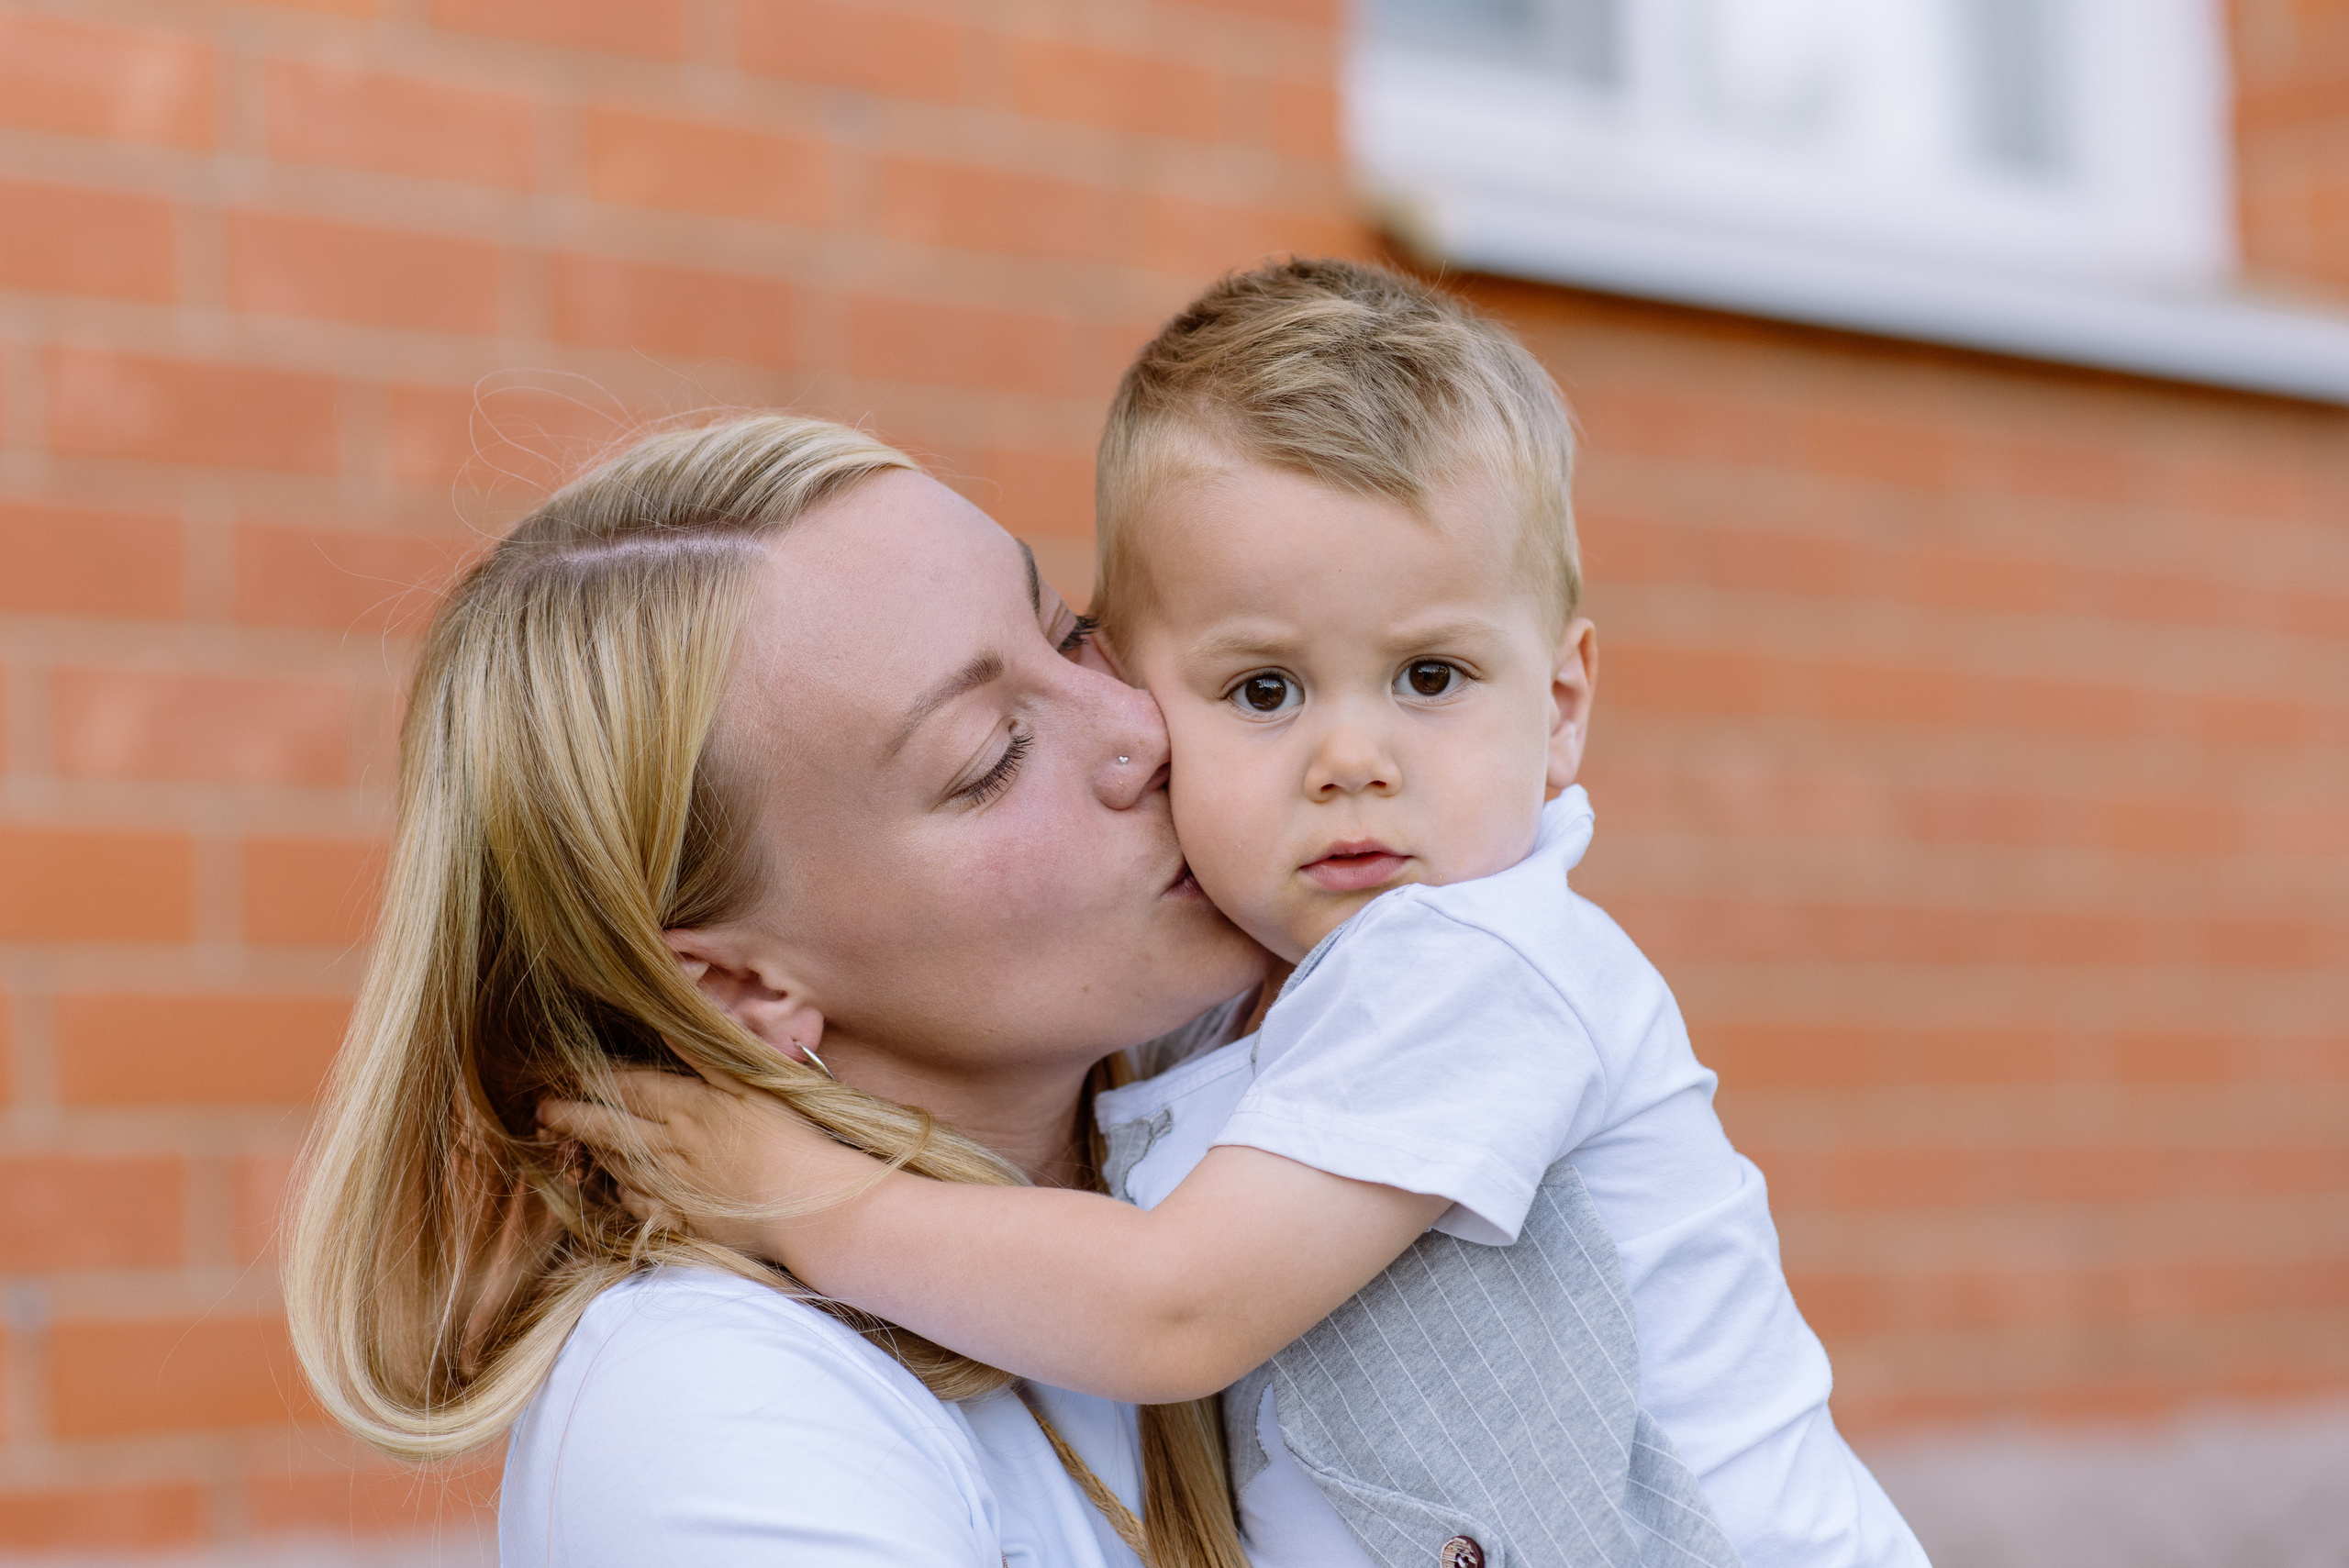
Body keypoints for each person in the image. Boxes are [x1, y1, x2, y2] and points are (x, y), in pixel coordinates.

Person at [546, 261, 1931, 1568]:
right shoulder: (721, 1416)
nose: (1353, 758)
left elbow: (1173, 1304)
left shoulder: (1470, 961)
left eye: (1433, 676)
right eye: (1262, 690)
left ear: (1560, 708)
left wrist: (799, 1190)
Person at [282, 415, 1273, 1567]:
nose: (1143, 724)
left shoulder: (1241, 1127)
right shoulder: (709, 1407)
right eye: (992, 753)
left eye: (1073, 631)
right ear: (739, 982)